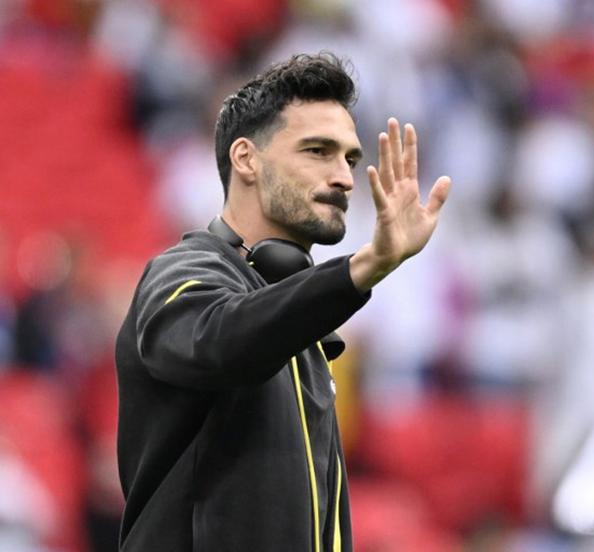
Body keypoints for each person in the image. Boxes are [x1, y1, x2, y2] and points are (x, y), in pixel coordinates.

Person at [114, 52, 451, 551]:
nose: (343, 177)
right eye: (318, 151)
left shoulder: (302, 324)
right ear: (246, 158)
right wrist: (363, 267)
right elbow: (219, 341)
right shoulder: (183, 271)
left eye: (350, 159)